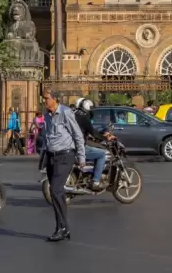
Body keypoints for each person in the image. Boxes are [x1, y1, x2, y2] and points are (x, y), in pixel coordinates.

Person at [40, 90, 86, 242]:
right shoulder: (46, 116)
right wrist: (43, 155)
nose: (44, 101)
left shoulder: (66, 113)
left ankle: (63, 227)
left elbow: (77, 135)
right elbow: (47, 136)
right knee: (56, 193)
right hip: (52, 156)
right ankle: (62, 226)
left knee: (55, 189)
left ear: (55, 99)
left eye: (46, 98)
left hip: (66, 155)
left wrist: (81, 156)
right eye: (43, 98)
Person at [71, 98, 110, 191]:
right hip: (78, 147)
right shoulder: (83, 117)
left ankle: (86, 174)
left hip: (69, 145)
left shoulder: (73, 115)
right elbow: (93, 132)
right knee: (101, 154)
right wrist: (105, 138)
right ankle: (95, 181)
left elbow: (82, 131)